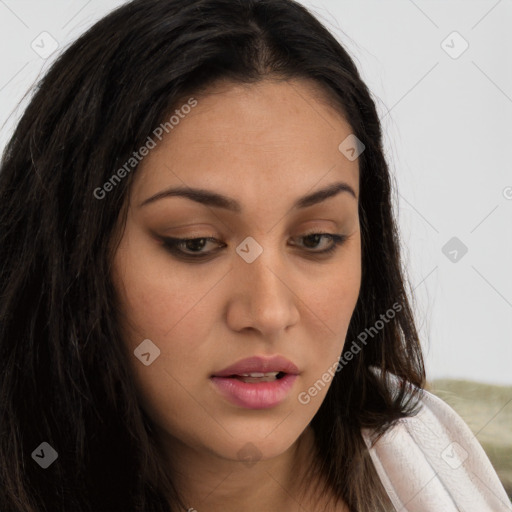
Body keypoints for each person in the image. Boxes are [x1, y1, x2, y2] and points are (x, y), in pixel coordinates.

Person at [0, 0, 508, 510]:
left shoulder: (433, 458)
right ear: (69, 257)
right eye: (196, 243)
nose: (268, 312)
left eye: (315, 240)